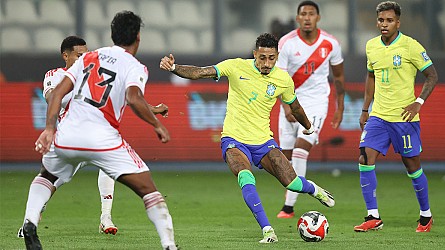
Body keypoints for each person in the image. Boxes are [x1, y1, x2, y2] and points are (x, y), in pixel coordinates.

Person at [22, 11, 178, 250]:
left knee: (46, 176)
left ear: (113, 35)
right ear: (138, 37)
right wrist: (156, 124)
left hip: (67, 136)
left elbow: (57, 94)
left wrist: (49, 129)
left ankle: (30, 221)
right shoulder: (135, 66)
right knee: (148, 189)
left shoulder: (88, 58)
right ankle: (169, 245)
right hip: (103, 139)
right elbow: (134, 98)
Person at [160, 33, 335, 243]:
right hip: (234, 139)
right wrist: (173, 67)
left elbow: (294, 106)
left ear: (277, 56)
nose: (266, 63)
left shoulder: (282, 79)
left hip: (263, 142)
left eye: (271, 58)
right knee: (245, 175)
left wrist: (308, 127)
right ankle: (268, 230)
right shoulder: (235, 66)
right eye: (262, 57)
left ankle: (314, 189)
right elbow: (200, 72)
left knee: (292, 182)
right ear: (255, 54)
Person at [354, 1, 438, 233]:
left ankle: (425, 215)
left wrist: (418, 102)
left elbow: (432, 75)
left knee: (412, 166)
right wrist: (365, 109)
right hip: (379, 116)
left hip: (404, 118)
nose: (384, 24)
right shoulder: (371, 46)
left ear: (398, 22)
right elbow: (371, 77)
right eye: (381, 20)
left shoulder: (410, 46)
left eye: (389, 20)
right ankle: (373, 216)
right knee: (364, 158)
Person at [275, 0, 345, 219]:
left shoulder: (331, 43)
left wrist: (340, 107)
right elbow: (278, 78)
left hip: (316, 103)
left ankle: (288, 207)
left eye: (311, 13)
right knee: (285, 160)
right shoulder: (287, 43)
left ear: (318, 17)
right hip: (291, 101)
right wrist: (286, 106)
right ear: (298, 18)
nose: (307, 17)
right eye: (303, 14)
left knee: (300, 150)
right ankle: (292, 200)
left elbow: (339, 76)